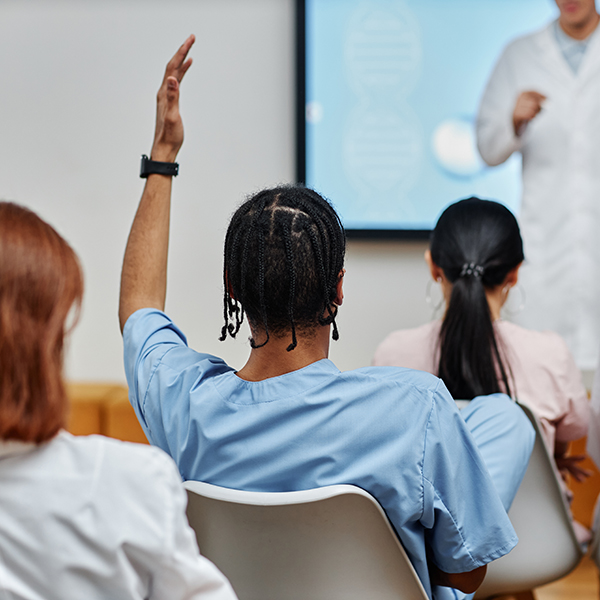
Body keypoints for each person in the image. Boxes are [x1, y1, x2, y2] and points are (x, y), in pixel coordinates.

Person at [120, 37, 535, 600]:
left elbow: (139, 310)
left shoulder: (180, 399)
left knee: (492, 420)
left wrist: (163, 155)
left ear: (232, 291)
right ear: (338, 289)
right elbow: (465, 574)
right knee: (503, 419)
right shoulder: (414, 406)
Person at [0, 201, 237, 600]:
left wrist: (161, 165)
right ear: (50, 340)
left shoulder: (175, 390)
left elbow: (140, 313)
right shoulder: (130, 484)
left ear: (232, 288)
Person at [373, 198, 590, 540]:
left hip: (428, 546)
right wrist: (552, 457)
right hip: (539, 544)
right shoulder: (552, 354)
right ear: (515, 273)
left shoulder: (393, 353)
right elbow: (574, 432)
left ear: (433, 267)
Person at [476, 0, 600, 371]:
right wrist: (512, 121)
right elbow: (487, 148)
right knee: (543, 375)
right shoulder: (520, 54)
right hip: (547, 246)